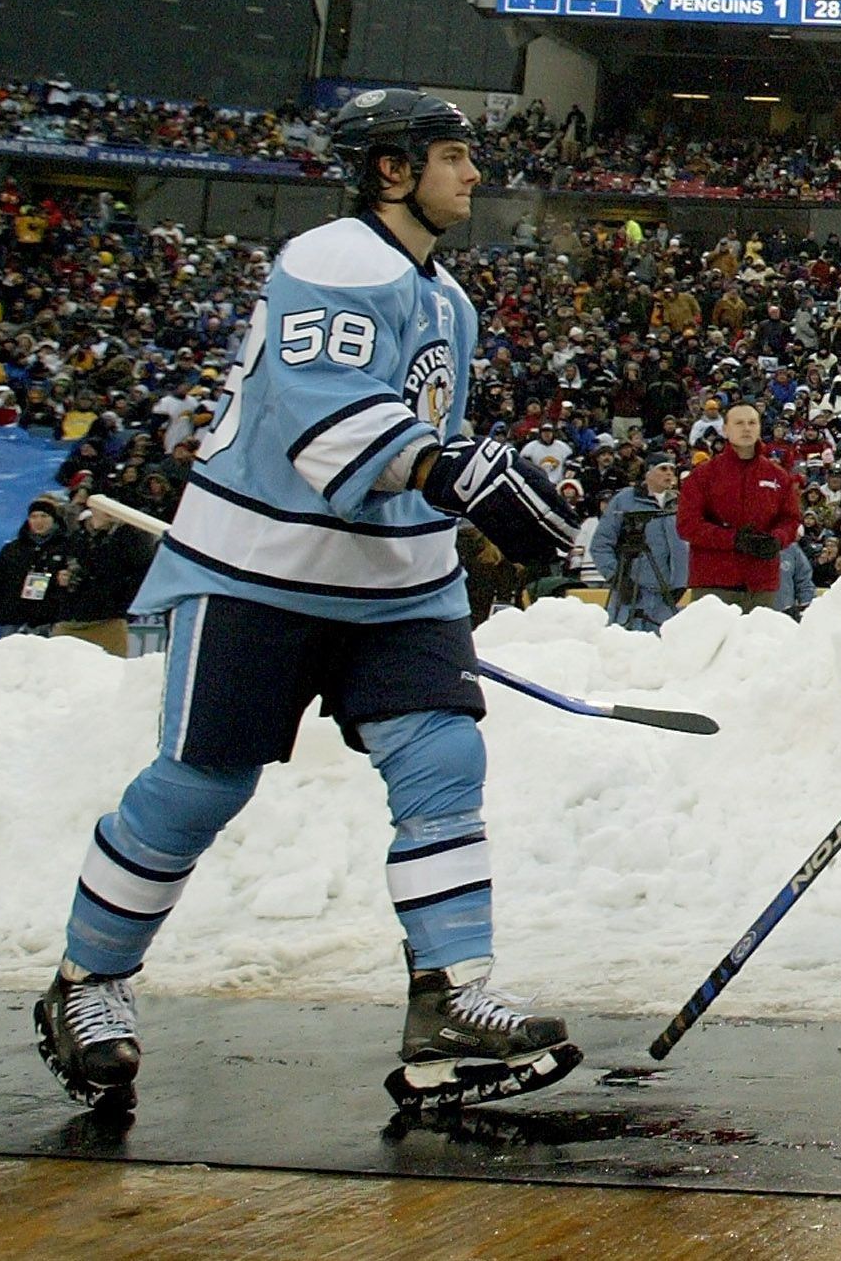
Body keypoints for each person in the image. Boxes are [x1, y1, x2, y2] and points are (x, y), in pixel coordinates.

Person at [31, 89, 584, 1117]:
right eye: (454, 156)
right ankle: (87, 983)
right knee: (202, 784)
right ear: (389, 168)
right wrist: (449, 468)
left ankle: (450, 997)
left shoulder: (445, 297)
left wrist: (459, 482)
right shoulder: (332, 260)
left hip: (395, 584)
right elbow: (331, 428)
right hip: (262, 572)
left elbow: (414, 438)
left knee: (442, 757)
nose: (473, 175)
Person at [676, 404, 802, 609]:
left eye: (752, 423)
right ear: (725, 429)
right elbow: (687, 525)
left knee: (759, 642)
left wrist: (777, 540)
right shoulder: (703, 475)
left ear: (760, 428)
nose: (746, 428)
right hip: (714, 585)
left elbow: (790, 519)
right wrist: (733, 539)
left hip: (762, 585)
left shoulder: (778, 476)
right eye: (739, 423)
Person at [592, 454, 688, 632]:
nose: (669, 474)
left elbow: (686, 546)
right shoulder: (624, 500)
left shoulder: (680, 504)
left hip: (667, 597)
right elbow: (600, 544)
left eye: (672, 470)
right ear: (648, 472)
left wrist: (681, 582)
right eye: (663, 468)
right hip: (633, 594)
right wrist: (616, 577)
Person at [54, 500, 158, 656]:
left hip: (110, 619)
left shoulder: (131, 537)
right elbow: (60, 568)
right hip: (70, 618)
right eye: (105, 505)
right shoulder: (75, 538)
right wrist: (61, 580)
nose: (109, 510)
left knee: (108, 673)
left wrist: (124, 608)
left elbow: (141, 574)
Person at [0, 499, 74, 644]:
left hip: (49, 621)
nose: (38, 521)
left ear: (54, 519)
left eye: (44, 516)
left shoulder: (68, 547)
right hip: (13, 621)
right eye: (34, 517)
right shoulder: (12, 550)